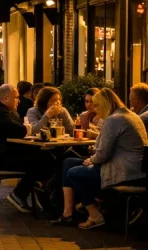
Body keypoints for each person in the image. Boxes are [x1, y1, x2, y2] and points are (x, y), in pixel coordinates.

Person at [56, 87, 148, 228]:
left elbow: (102, 155)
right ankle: (68, 211)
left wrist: (91, 160)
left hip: (122, 170)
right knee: (68, 162)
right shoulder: (129, 115)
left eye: (96, 105)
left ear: (105, 104)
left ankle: (94, 214)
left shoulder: (113, 120)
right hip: (132, 166)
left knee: (73, 173)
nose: (95, 109)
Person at [0, 83, 55, 214]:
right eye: (16, 97)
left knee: (43, 157)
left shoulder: (0, 111)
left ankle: (34, 187)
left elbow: (19, 128)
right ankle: (22, 193)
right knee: (43, 159)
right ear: (6, 98)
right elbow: (20, 130)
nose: (19, 100)